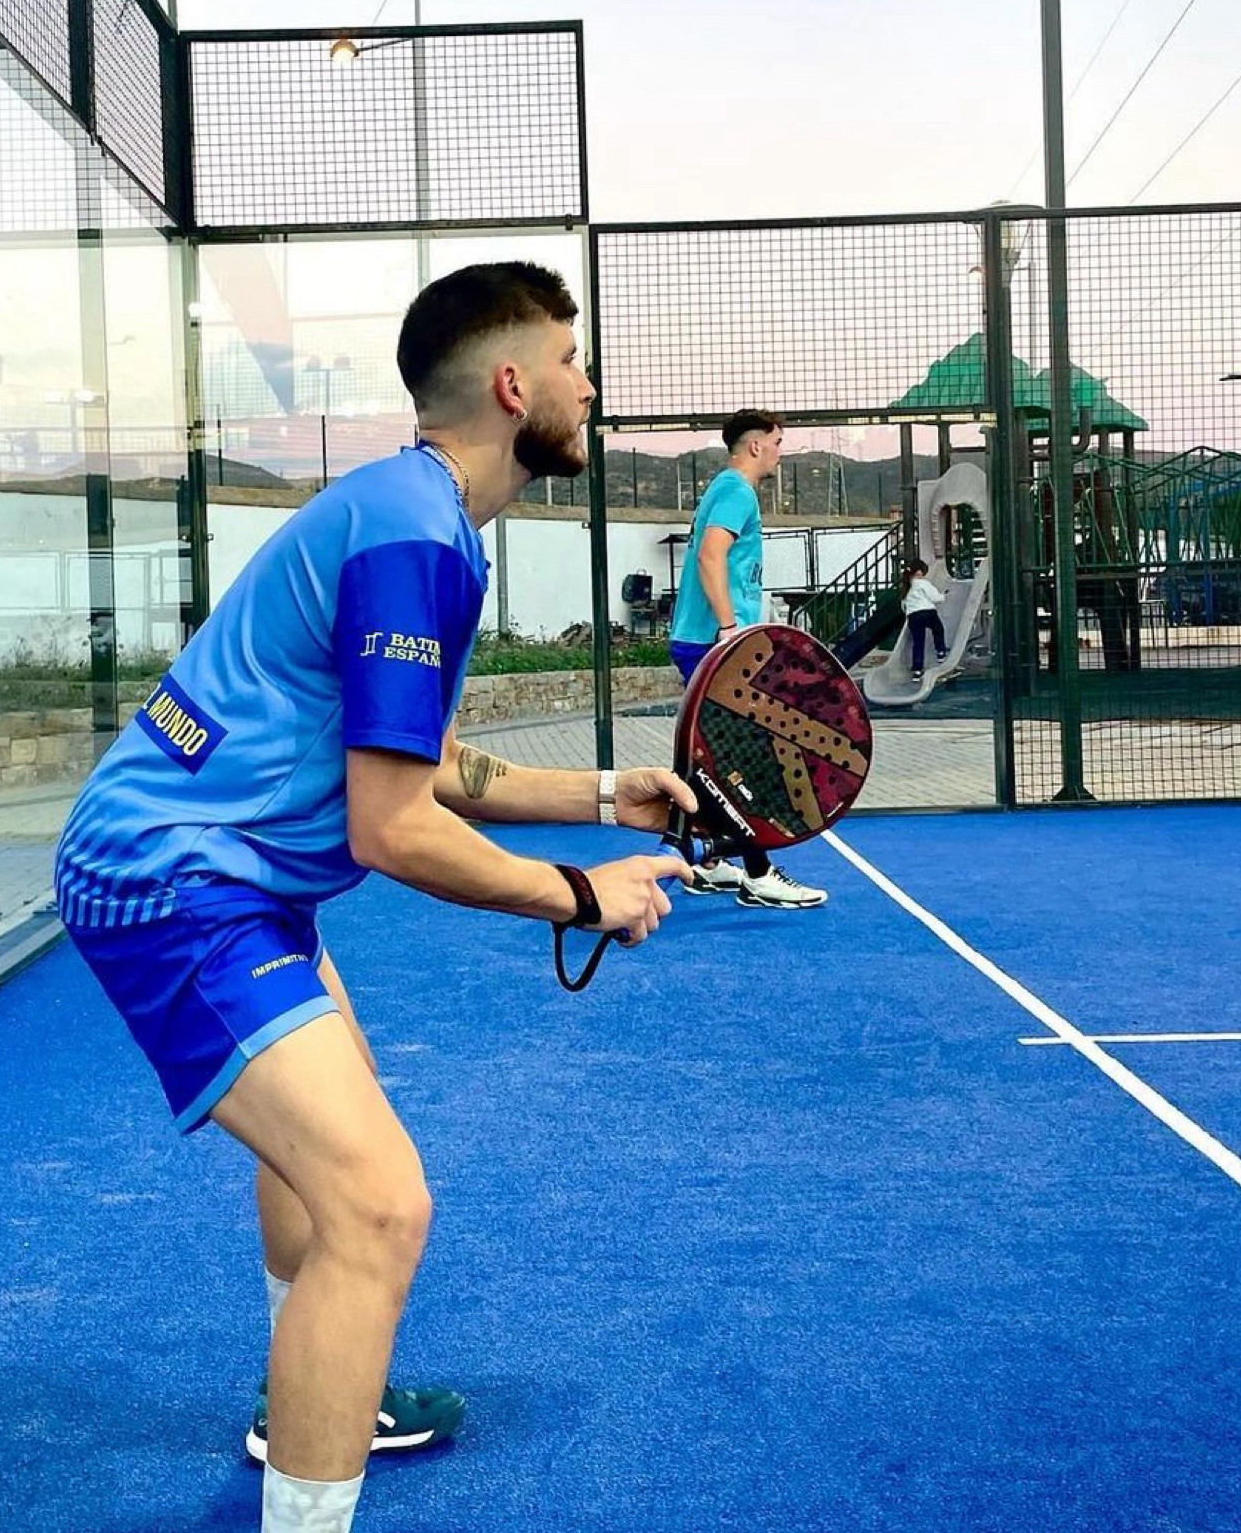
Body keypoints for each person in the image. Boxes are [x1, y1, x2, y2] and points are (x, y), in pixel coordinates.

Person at [53, 262, 695, 1533]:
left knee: (323, 1157)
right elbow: (393, 828)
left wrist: (603, 794)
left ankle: (304, 1383)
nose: (586, 386)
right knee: (378, 1203)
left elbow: (425, 763)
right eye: (569, 361)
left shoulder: (412, 513)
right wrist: (581, 896)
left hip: (229, 876)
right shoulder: (416, 537)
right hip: (175, 878)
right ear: (511, 386)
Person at [665, 410, 827, 911]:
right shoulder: (737, 491)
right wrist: (729, 627)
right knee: (746, 759)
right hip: (712, 641)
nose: (780, 451)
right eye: (777, 442)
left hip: (700, 639)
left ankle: (708, 861)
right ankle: (758, 873)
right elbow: (710, 556)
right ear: (756, 446)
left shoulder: (723, 487)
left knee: (713, 758)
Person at [902, 559, 950, 680]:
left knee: (918, 642)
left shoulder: (907, 587)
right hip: (927, 612)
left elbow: (904, 606)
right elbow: (935, 598)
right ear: (919, 572)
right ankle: (941, 652)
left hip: (913, 616)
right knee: (938, 629)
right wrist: (943, 596)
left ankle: (917, 670)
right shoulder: (923, 583)